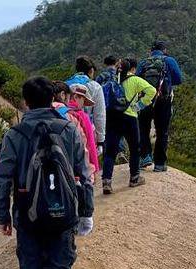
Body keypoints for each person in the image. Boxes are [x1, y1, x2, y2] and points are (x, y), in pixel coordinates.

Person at [0, 77, 94, 269]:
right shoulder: (69, 129)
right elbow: (85, 174)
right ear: (53, 99)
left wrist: (3, 215)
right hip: (63, 213)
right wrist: (86, 212)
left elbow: (3, 178)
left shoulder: (15, 135)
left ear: (25, 102)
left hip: (28, 215)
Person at [102, 58, 156, 195]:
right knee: (134, 148)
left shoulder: (111, 81)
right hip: (130, 117)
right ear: (132, 69)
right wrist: (140, 105)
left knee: (110, 151)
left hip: (112, 117)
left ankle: (107, 181)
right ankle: (134, 178)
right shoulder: (135, 80)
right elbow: (152, 90)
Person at [137, 40, 183, 171]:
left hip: (146, 100)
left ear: (151, 51)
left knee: (143, 129)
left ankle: (145, 156)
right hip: (163, 99)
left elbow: (136, 79)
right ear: (165, 50)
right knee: (162, 131)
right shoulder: (169, 61)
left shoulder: (144, 62)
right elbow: (178, 79)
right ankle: (160, 163)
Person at [52, 81, 96, 179]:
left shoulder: (37, 116)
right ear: (63, 95)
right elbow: (84, 146)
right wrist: (91, 172)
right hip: (70, 170)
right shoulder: (73, 116)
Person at [66, 56, 106, 156]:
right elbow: (99, 115)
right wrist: (100, 140)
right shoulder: (95, 86)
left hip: (66, 130)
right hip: (87, 131)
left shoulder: (65, 85)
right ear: (91, 70)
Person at [68, 84, 100, 175]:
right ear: (76, 96)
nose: (83, 105)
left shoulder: (58, 111)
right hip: (81, 164)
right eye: (83, 100)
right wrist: (95, 168)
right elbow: (90, 143)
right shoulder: (82, 116)